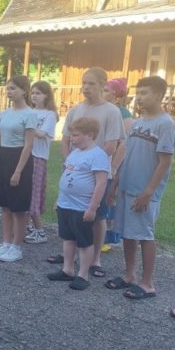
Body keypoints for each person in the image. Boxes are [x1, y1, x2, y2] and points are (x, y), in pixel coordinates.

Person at [105, 76, 175, 300]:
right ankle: (129, 275)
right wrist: (116, 182)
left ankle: (147, 283)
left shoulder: (165, 124)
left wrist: (148, 192)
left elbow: (164, 162)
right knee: (128, 233)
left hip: (144, 192)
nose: (140, 97)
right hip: (127, 186)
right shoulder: (138, 123)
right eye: (138, 93)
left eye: (145, 93)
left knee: (144, 235)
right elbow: (128, 154)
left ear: (159, 95)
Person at [59, 67, 125, 277]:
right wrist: (69, 162)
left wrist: (90, 163)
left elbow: (111, 144)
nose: (86, 87)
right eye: (84, 83)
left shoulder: (111, 111)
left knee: (97, 216)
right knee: (71, 214)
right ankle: (72, 258)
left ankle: (95, 258)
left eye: (91, 83)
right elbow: (65, 139)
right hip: (74, 172)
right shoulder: (76, 110)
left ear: (102, 85)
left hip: (98, 173)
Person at [46, 117, 109, 290]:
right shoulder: (74, 153)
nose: (71, 139)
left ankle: (83, 274)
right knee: (67, 237)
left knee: (84, 241)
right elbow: (66, 176)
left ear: (89, 135)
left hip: (82, 206)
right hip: (65, 204)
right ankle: (68, 269)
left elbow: (101, 183)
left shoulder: (98, 155)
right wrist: (59, 199)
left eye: (75, 135)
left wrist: (92, 207)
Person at [0, 75, 36, 263]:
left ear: (24, 91)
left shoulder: (29, 114)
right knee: (5, 206)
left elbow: (28, 145)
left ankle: (16, 246)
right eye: (8, 88)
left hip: (19, 159)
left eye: (13, 88)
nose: (9, 92)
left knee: (18, 207)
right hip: (3, 158)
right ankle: (6, 242)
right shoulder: (3, 114)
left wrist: (18, 171)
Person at [25, 81, 58, 244]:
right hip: (24, 155)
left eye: (38, 93)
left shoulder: (50, 115)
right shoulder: (29, 111)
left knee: (33, 194)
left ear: (46, 95)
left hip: (38, 157)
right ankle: (28, 225)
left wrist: (26, 124)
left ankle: (40, 230)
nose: (34, 96)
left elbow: (41, 134)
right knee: (24, 193)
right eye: (32, 93)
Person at [103, 77, 134, 248]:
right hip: (101, 159)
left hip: (114, 162)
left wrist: (114, 166)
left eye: (106, 90)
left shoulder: (123, 113)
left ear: (115, 94)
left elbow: (124, 143)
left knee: (110, 195)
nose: (102, 93)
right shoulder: (102, 109)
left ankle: (108, 236)